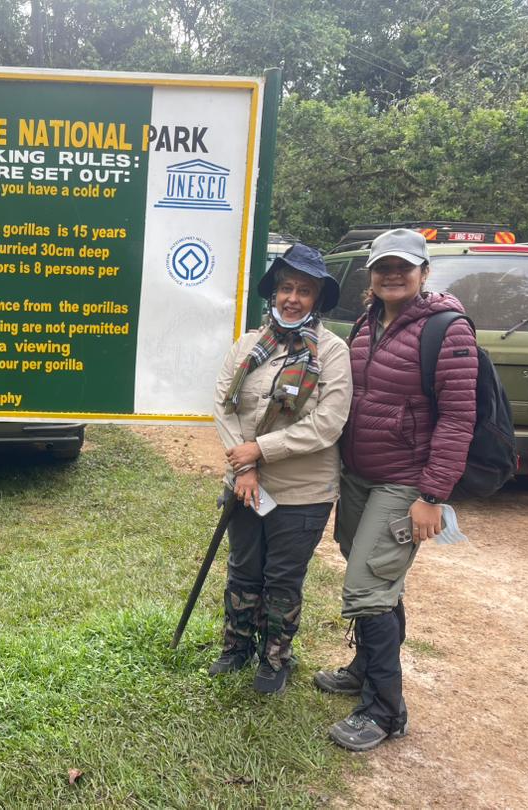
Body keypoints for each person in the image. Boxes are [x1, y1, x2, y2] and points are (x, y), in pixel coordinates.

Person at [316, 228, 477, 751]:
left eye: (403, 266)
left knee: (367, 586)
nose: (392, 274)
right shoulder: (366, 325)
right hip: (360, 475)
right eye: (383, 266)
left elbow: (457, 419)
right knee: (375, 578)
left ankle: (385, 712)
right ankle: (365, 669)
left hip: (404, 480)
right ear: (371, 274)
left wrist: (431, 496)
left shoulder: (447, 330)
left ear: (424, 273)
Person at [210, 243, 352, 694]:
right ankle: (237, 647)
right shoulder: (249, 345)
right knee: (243, 569)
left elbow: (327, 424)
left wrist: (261, 451)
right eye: (286, 287)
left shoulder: (332, 352)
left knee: (282, 580)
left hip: (302, 491)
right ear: (273, 294)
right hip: (245, 484)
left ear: (317, 300)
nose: (292, 297)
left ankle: (276, 659)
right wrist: (244, 463)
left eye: (304, 290)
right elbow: (222, 404)